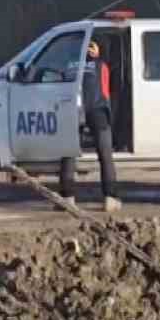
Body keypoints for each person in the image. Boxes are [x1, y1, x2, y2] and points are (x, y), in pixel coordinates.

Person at [59, 38, 121, 212]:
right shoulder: (102, 65)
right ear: (96, 51)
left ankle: (67, 198)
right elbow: (106, 90)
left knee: (69, 153)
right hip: (98, 111)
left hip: (74, 110)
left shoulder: (69, 66)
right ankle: (110, 198)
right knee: (105, 155)